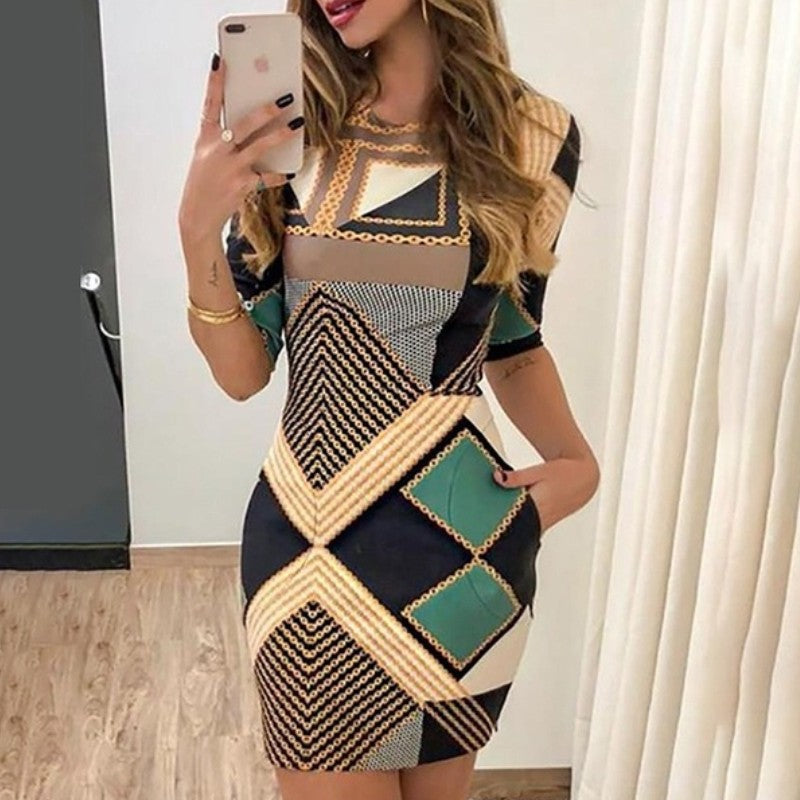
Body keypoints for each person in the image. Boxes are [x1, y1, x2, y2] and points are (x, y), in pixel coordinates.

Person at [178, 1, 600, 798]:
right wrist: (196, 231)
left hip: (464, 553)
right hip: (308, 547)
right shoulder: (289, 123)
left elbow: (511, 339)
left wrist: (576, 464)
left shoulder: (536, 136)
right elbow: (242, 373)